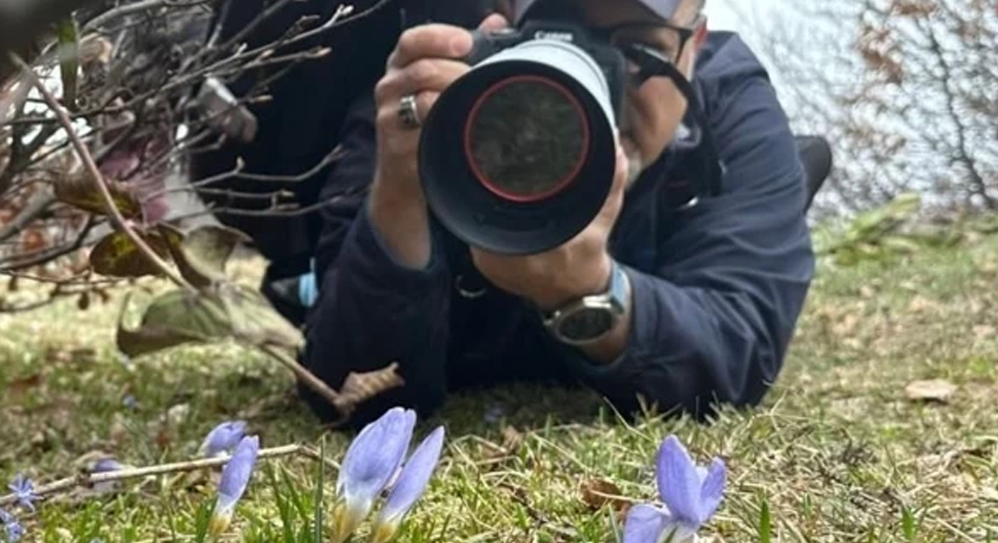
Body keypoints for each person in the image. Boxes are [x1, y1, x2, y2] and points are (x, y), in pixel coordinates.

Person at [293, 0, 823, 426]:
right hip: (469, 337)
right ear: (497, 21)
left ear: (694, 47)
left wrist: (587, 290)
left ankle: (789, 182)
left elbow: (742, 344)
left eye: (640, 48)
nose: (591, 86)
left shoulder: (725, 100)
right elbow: (347, 389)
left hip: (668, 235)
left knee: (755, 201)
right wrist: (399, 198)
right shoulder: (435, 96)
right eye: (549, 38)